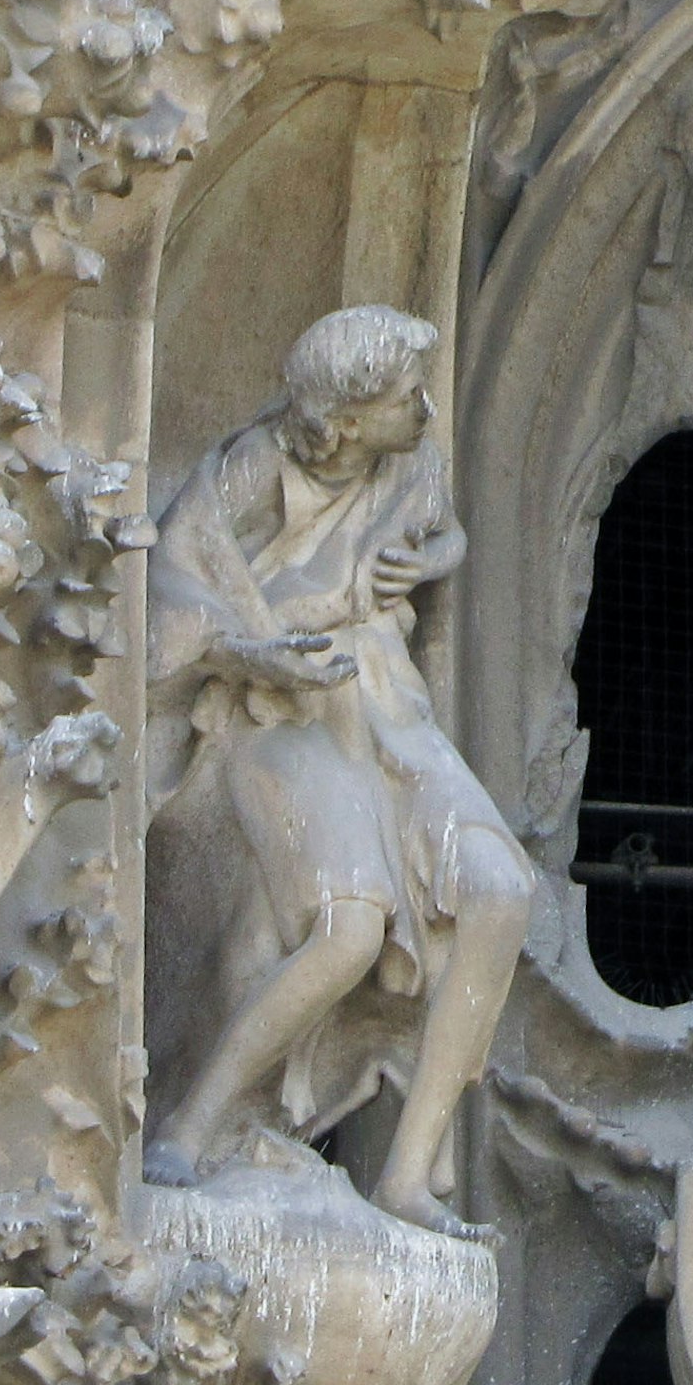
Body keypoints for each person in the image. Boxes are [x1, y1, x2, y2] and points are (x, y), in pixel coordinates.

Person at [143, 305, 532, 1229]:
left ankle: (406, 1172)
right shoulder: (254, 466)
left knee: (500, 894)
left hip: (388, 709)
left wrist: (430, 559)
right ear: (346, 418)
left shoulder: (412, 459)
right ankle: (189, 1128)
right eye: (407, 398)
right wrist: (251, 651)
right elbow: (168, 583)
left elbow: (446, 532)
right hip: (276, 711)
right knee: (350, 926)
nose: (427, 412)